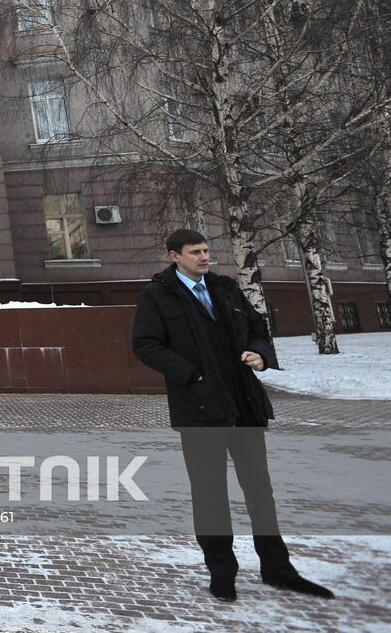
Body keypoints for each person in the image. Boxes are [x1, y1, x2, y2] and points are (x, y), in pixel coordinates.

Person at [132, 229, 333, 603]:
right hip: (200, 410)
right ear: (175, 256)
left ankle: (278, 569)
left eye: (207, 250)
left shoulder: (225, 288)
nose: (205, 257)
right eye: (195, 252)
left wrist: (259, 354)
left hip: (244, 406)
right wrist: (192, 375)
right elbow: (145, 345)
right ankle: (222, 572)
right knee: (210, 496)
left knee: (260, 492)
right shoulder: (157, 295)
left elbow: (258, 329)